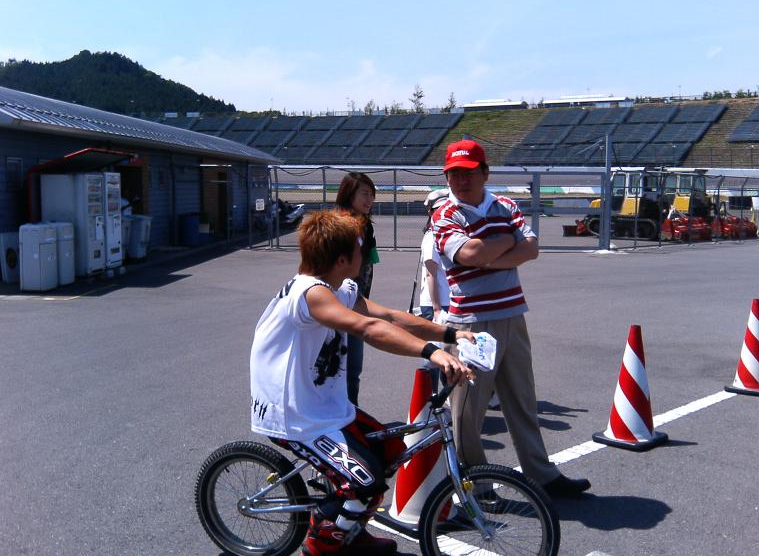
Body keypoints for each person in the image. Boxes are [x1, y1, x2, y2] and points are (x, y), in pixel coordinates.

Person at [250, 210, 475, 555]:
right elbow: (369, 329)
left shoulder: (339, 289)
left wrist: (450, 333)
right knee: (365, 481)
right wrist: (433, 353)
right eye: (361, 250)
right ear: (342, 260)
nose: (366, 256)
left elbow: (389, 317)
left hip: (324, 406)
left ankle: (351, 532)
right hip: (294, 415)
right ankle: (322, 545)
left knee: (388, 454)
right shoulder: (310, 294)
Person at [432, 138, 591, 498]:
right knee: (467, 412)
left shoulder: (505, 204)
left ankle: (542, 474)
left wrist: (487, 256)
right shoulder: (445, 214)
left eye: (468, 172)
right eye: (454, 174)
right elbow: (469, 254)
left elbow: (531, 249)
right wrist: (505, 241)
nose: (461, 180)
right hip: (471, 325)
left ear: (485, 173)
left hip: (512, 315)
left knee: (522, 401)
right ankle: (477, 487)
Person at [335, 172, 379, 406]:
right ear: (349, 194)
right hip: (340, 306)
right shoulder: (342, 226)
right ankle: (346, 417)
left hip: (357, 302)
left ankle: (350, 414)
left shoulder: (364, 226)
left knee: (352, 369)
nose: (369, 199)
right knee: (343, 370)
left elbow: (369, 263)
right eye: (364, 194)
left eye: (372, 195)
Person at [418, 189, 450, 323]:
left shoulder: (443, 233)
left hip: (445, 300)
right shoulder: (432, 236)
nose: (443, 213)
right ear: (430, 212)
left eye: (446, 209)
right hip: (439, 303)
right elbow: (430, 274)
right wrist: (437, 309)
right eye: (438, 209)